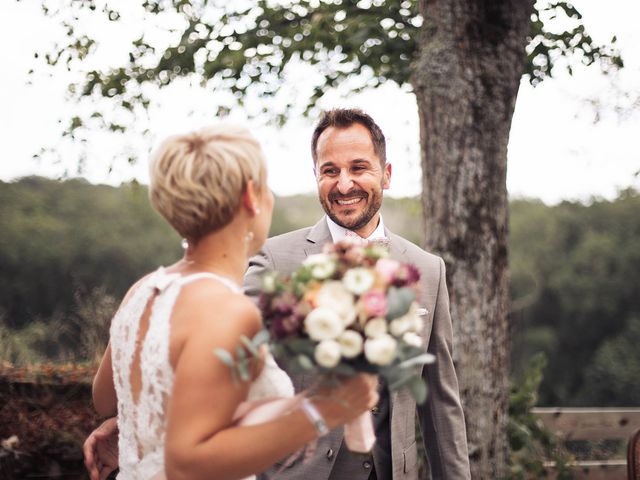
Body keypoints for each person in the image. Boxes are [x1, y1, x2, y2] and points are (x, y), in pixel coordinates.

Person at [86, 124, 379, 480]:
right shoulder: (226, 309)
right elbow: (186, 463)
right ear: (250, 198)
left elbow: (106, 400)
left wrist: (140, 426)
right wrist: (323, 411)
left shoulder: (145, 290)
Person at [242, 109, 471, 479]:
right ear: (315, 176)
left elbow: (441, 402)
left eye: (359, 168)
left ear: (387, 174)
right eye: (330, 171)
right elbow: (233, 371)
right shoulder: (273, 260)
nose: (344, 184)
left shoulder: (428, 270)